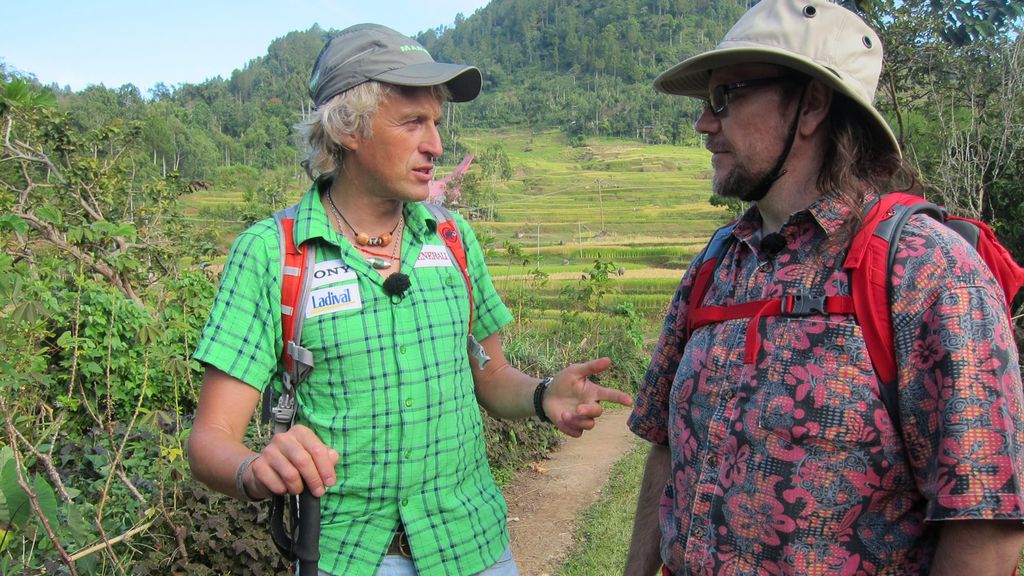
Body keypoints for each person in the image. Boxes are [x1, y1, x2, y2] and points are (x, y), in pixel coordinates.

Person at [187, 23, 633, 576]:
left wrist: (543, 395)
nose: (436, 145)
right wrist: (256, 469)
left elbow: (488, 376)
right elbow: (211, 439)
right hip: (346, 557)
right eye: (412, 123)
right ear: (349, 128)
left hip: (473, 546)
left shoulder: (452, 238)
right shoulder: (271, 254)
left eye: (436, 123)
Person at [625, 0, 1024, 574]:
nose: (704, 123)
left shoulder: (927, 271)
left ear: (810, 105)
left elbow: (984, 526)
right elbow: (666, 445)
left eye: (726, 96)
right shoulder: (717, 265)